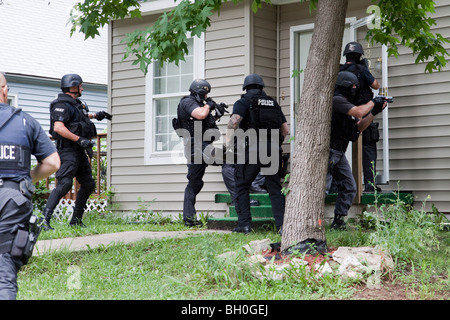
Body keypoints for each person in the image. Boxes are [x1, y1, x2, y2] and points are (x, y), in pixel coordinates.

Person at [0, 73, 60, 300]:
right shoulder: (24, 121)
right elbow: (53, 163)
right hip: (12, 200)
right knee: (3, 269)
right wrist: (26, 180)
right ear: (5, 90)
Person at [43, 74, 112, 231]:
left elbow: (78, 117)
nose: (82, 88)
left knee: (88, 184)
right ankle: (43, 221)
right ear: (73, 87)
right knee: (65, 184)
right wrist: (79, 139)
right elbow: (58, 127)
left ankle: (76, 220)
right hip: (67, 151)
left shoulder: (75, 105)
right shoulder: (61, 105)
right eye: (80, 85)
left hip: (79, 151)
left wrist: (96, 115)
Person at [226, 74, 289, 234]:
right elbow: (285, 130)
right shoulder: (274, 103)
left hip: (252, 148)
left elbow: (234, 122)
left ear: (246, 87)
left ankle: (244, 225)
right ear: (261, 87)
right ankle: (282, 227)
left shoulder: (243, 101)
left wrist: (229, 142)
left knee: (241, 186)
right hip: (273, 148)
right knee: (274, 188)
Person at [326, 71, 387, 230]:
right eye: (352, 86)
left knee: (349, 186)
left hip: (339, 153)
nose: (354, 88)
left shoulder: (348, 105)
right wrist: (373, 102)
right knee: (321, 190)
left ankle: (338, 222)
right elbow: (360, 112)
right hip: (328, 152)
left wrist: (374, 112)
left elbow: (359, 127)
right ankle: (311, 224)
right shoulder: (337, 100)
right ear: (344, 86)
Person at [175, 79, 227, 227]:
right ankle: (241, 200)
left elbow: (207, 121)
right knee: (228, 160)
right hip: (195, 147)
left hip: (202, 146)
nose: (207, 97)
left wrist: (217, 113)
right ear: (198, 92)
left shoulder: (200, 104)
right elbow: (200, 115)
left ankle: (189, 220)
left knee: (195, 183)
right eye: (205, 94)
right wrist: (209, 106)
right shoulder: (187, 102)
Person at [340, 42, 381, 193]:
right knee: (369, 148)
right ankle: (370, 185)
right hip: (364, 112)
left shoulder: (340, 70)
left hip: (345, 113)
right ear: (360, 56)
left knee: (338, 149)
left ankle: (335, 185)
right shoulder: (362, 70)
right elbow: (376, 85)